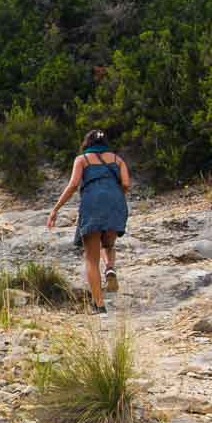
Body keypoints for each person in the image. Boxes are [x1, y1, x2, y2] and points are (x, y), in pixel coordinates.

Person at [45, 129, 130, 313]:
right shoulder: (118, 160)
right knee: (108, 244)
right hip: (115, 202)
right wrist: (115, 198)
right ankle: (110, 267)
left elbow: (73, 185)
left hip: (92, 204)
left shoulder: (82, 159)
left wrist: (55, 209)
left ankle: (99, 305)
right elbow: (125, 184)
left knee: (91, 258)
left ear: (87, 143)